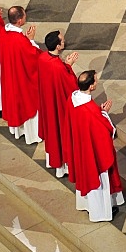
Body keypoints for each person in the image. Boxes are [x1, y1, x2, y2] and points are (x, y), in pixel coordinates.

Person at [67, 69, 125, 221]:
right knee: (98, 181)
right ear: (92, 87)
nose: (97, 82)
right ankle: (100, 212)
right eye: (96, 81)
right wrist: (104, 113)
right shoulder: (90, 110)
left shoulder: (72, 99)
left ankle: (85, 205)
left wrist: (99, 112)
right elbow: (105, 130)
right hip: (93, 153)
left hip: (79, 148)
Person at [37, 31, 79, 177]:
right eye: (62, 40)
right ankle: (65, 166)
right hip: (59, 107)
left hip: (48, 102)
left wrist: (65, 65)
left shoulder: (42, 57)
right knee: (61, 133)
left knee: (52, 132)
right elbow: (71, 87)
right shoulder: (58, 67)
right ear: (58, 46)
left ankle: (55, 162)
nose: (64, 41)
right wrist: (69, 66)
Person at [0, 5, 43, 144]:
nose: (26, 18)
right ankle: (33, 135)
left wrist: (26, 39)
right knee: (27, 102)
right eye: (24, 16)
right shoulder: (20, 41)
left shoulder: (4, 32)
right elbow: (34, 57)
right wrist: (30, 40)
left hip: (10, 75)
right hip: (22, 79)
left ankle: (17, 130)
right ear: (19, 20)